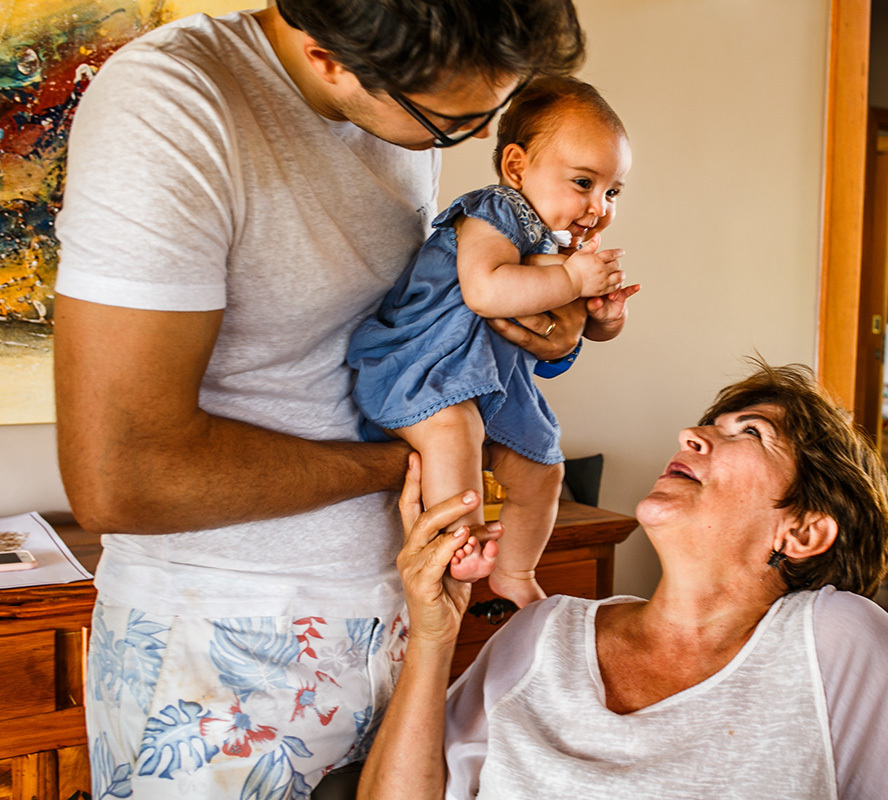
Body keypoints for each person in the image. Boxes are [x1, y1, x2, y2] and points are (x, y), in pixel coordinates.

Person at [52, 1, 594, 796]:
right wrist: (413, 462)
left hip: (400, 616)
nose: (479, 140)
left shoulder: (393, 97)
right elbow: (119, 479)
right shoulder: (172, 107)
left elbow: (389, 322)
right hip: (226, 638)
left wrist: (541, 319)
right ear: (328, 56)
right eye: (453, 124)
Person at [359, 362, 888, 799]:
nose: (692, 435)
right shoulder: (540, 632)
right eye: (710, 424)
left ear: (801, 532)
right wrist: (434, 635)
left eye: (751, 433)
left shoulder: (831, 642)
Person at [347, 77, 638, 608]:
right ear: (516, 167)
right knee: (453, 433)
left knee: (543, 466)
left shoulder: (558, 246)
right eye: (583, 182)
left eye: (612, 191)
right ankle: (462, 542)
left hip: (492, 381)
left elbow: (572, 331)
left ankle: (516, 572)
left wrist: (605, 316)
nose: (598, 206)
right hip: (424, 366)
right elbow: (485, 291)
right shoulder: (497, 210)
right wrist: (572, 280)